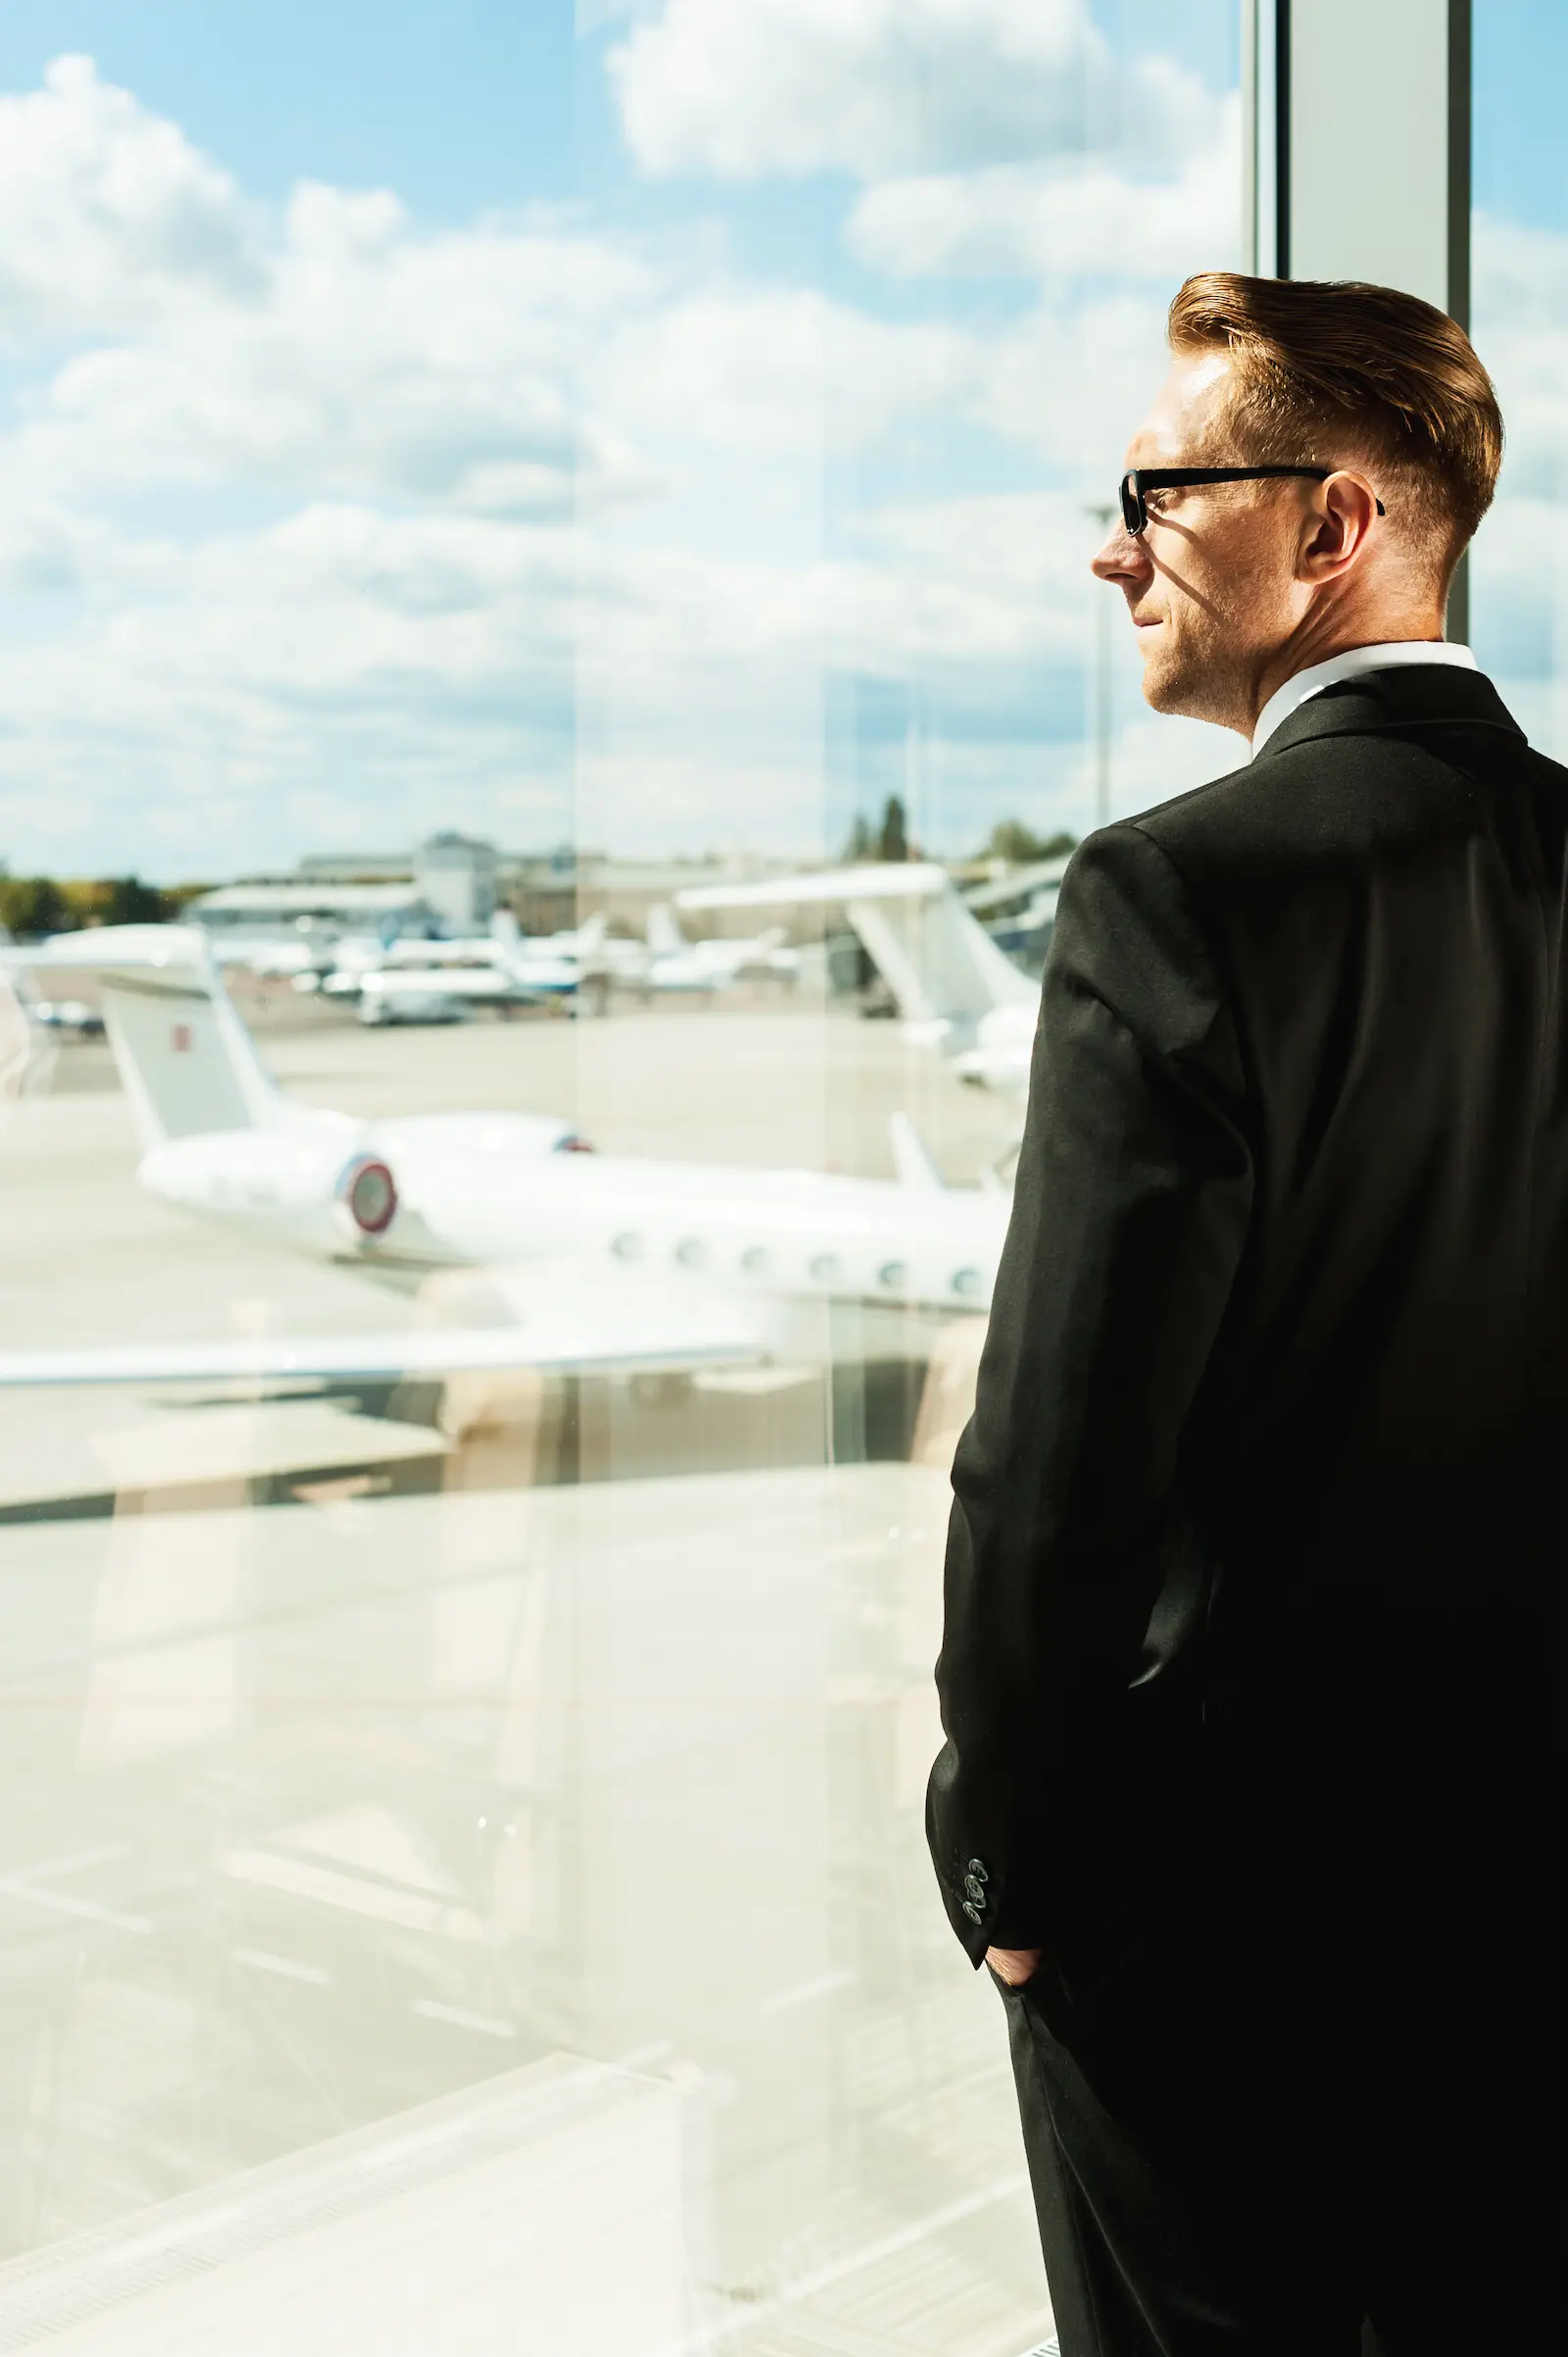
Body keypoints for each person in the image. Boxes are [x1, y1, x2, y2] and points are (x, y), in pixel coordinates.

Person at [928, 270, 1566, 2354]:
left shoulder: (1173, 891)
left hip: (1223, 1960)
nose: (1111, 546)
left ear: (1330, 524)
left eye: (1154, 488)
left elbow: (1051, 1477)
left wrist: (1015, 1885)